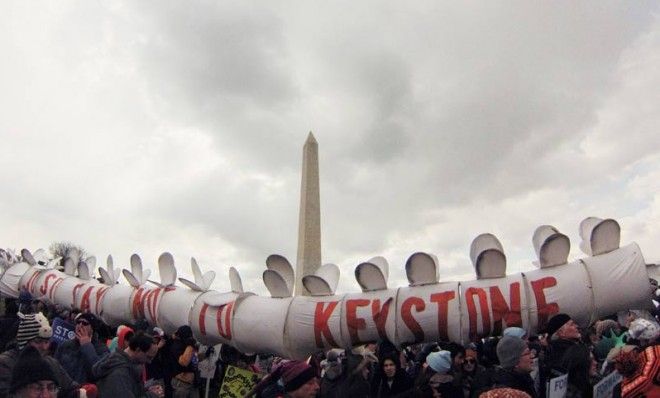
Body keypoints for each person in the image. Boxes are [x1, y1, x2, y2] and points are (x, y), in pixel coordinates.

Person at [0, 312, 82, 397]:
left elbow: (70, 387)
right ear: (23, 341)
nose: (44, 347)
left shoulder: (51, 363)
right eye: (38, 341)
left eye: (47, 342)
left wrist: (80, 392)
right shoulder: (5, 363)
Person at [92, 331, 163, 397]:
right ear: (138, 350)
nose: (150, 361)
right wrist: (151, 395)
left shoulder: (123, 366)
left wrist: (147, 390)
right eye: (148, 357)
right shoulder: (119, 374)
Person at [54, 313, 110, 384]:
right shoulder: (65, 346)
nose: (80, 325)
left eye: (84, 323)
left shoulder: (102, 349)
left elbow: (98, 372)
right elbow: (55, 369)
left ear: (92, 329)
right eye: (78, 322)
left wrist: (87, 346)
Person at [169, 325, 199, 398]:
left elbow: (194, 359)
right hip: (181, 384)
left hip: (192, 383)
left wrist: (205, 354)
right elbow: (184, 362)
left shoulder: (186, 345)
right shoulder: (177, 346)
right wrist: (190, 346)